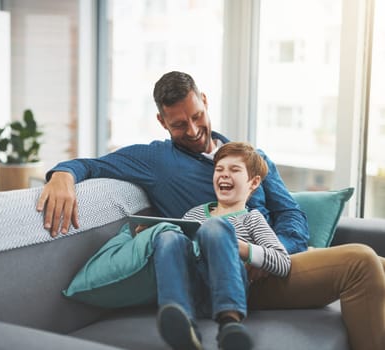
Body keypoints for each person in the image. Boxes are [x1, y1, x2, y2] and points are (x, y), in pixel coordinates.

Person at [37, 71, 385, 350]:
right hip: (226, 273)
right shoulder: (158, 161)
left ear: (204, 101)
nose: (192, 130)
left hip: (270, 260)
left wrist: (268, 253)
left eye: (197, 116)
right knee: (363, 262)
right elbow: (92, 165)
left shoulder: (250, 158)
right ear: (162, 122)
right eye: (178, 125)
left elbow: (291, 215)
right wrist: (63, 176)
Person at [152, 141, 291, 350]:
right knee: (168, 236)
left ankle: (229, 323)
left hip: (228, 286)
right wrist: (151, 232)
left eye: (234, 170)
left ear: (253, 183)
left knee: (215, 227)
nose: (224, 174)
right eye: (219, 169)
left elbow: (283, 261)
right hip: (192, 290)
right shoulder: (195, 213)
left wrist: (242, 248)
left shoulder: (252, 218)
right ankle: (182, 322)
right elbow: (178, 251)